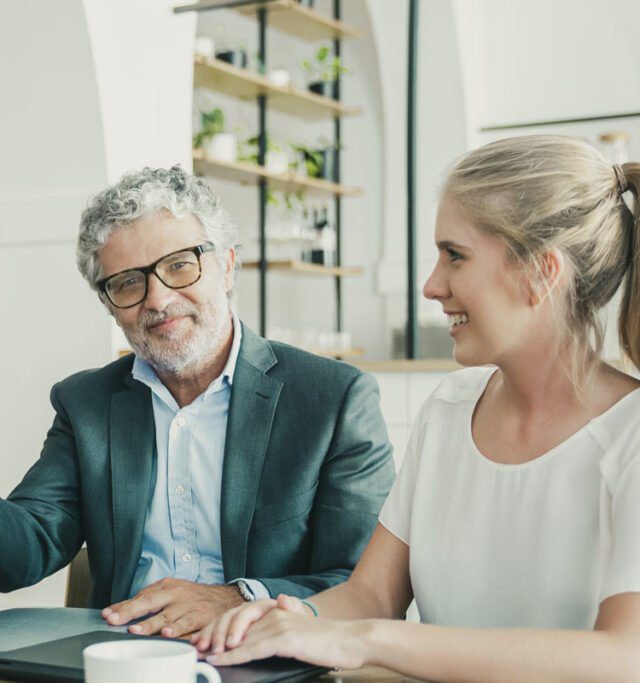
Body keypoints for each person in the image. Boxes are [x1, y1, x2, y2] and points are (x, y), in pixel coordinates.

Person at [0, 166, 395, 638]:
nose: (159, 299)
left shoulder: (333, 399)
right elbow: (26, 550)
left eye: (181, 265)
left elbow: (361, 586)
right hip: (123, 659)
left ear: (227, 267)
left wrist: (235, 599)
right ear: (109, 304)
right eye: (128, 283)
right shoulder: (87, 403)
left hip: (269, 656)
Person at [195, 135, 640, 681]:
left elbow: (625, 657)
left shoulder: (631, 435)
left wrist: (366, 640)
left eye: (455, 255)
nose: (431, 285)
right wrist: (287, 618)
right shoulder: (449, 411)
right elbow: (372, 594)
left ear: (541, 273)